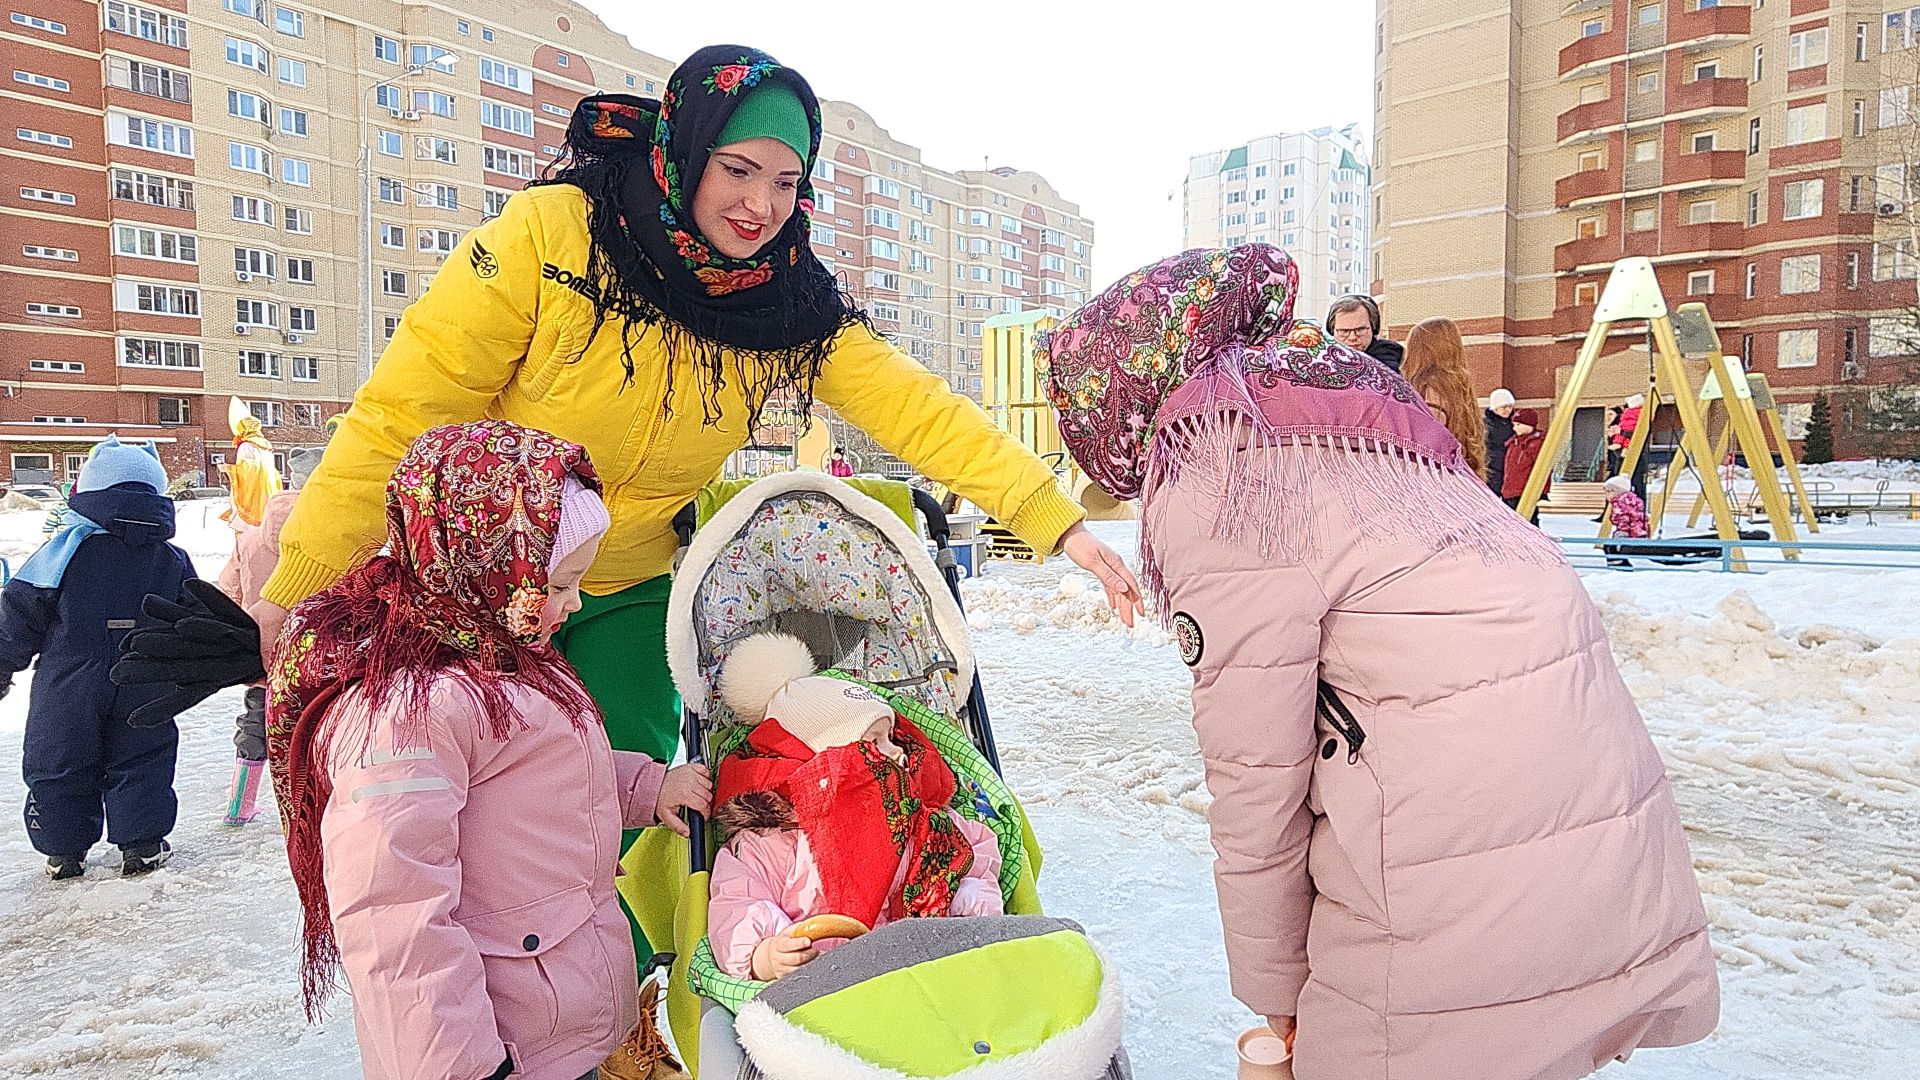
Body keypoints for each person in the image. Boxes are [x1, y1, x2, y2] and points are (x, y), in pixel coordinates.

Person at [211, 47, 1138, 959]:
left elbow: (918, 410)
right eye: (738, 170)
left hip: (630, 584)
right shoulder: (553, 238)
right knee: (465, 822)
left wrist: (1056, 521)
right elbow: (401, 416)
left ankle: (604, 1011)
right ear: (682, 152)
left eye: (786, 181)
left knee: (613, 818)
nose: (760, 206)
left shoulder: (783, 302)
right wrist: (294, 589)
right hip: (479, 592)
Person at [1044, 244, 1718, 1080]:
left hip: (1448, 821)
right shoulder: (1353, 403)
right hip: (1595, 792)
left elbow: (1258, 774)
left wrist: (1277, 989)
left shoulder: (1215, 471)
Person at [267, 421, 712, 1080]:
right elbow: (395, 916)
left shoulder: (508, 656)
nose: (575, 602)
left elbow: (549, 781)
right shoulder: (403, 709)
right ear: (481, 561)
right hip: (497, 1055)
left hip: (562, 1021)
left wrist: (648, 789)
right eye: (557, 584)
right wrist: (463, 1069)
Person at [705, 632, 1004, 981]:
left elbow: (974, 855)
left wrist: (968, 899)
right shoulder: (772, 846)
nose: (898, 752)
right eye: (874, 743)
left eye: (891, 738)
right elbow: (738, 904)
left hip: (920, 974)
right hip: (823, 989)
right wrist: (766, 954)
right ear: (821, 766)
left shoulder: (913, 817)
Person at [0, 436, 197, 879]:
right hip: (147, 677)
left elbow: (20, 611)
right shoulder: (172, 558)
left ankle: (63, 851)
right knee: (143, 756)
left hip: (69, 680)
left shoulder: (63, 551)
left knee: (60, 757)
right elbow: (194, 618)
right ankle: (142, 844)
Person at [215, 446, 323, 826]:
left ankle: (239, 807)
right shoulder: (334, 539)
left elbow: (226, 592)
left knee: (255, 725)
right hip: (320, 656)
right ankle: (309, 810)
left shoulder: (249, 538)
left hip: (264, 652)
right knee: (315, 731)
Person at [1401, 318, 1486, 479]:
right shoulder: (1457, 387)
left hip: (1429, 481)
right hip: (1459, 477)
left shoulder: (1428, 388)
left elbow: (1425, 443)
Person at [1325, 294, 1402, 372]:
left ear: (1374, 328)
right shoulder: (1322, 358)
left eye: (1360, 329)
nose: (1352, 337)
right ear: (1332, 331)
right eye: (1344, 331)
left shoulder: (1390, 358)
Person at [1501, 407, 1549, 525]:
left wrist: (1542, 490)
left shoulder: (1536, 443)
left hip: (1525, 492)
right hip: (1510, 490)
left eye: (1518, 424)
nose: (1514, 428)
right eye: (1514, 425)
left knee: (1528, 523)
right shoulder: (1513, 443)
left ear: (1529, 425)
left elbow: (1543, 468)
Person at [1603, 474, 1650, 568]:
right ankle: (1618, 561)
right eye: (1606, 491)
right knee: (1612, 546)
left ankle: (1618, 563)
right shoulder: (1633, 499)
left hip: (1627, 529)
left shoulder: (1620, 502)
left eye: (1610, 491)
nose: (1607, 494)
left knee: (1611, 546)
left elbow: (1621, 517)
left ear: (1619, 491)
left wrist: (1621, 527)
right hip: (1637, 528)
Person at [1484, 388, 1517, 495]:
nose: (1507, 410)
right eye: (1503, 407)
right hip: (1493, 470)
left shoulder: (1516, 424)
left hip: (1512, 470)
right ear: (1495, 407)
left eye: (1510, 406)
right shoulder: (1485, 425)